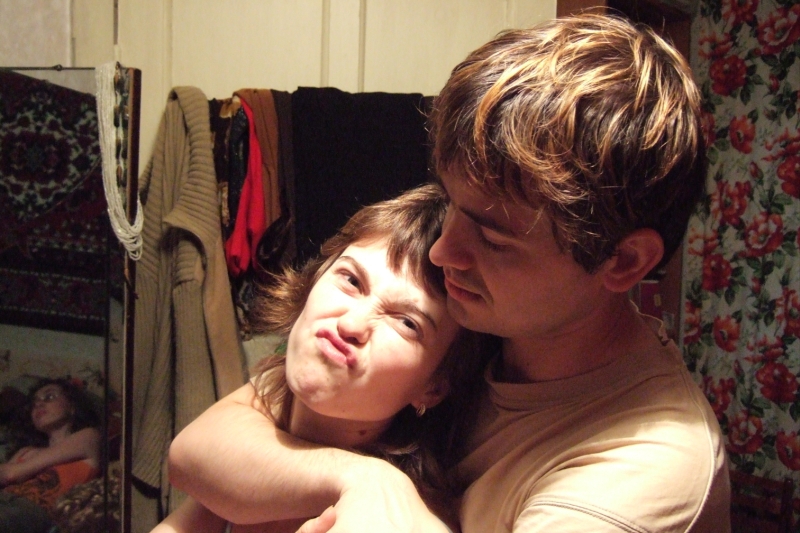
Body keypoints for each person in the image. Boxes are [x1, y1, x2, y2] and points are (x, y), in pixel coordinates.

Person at [168, 14, 730, 532]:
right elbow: (207, 446)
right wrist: (363, 479)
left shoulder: (639, 476)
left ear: (624, 261)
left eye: (493, 237)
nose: (442, 251)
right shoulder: (495, 321)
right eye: (453, 203)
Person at [154, 184, 489, 532]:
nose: (351, 324)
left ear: (433, 387)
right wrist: (362, 476)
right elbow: (189, 459)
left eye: (406, 323)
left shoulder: (395, 519)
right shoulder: (275, 399)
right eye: (351, 280)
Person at [0, 378, 102, 533]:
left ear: (72, 407)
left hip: (31, 510)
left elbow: (11, 474)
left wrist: (12, 471)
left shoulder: (89, 436)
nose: (39, 404)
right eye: (34, 403)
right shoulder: (25, 451)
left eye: (49, 397)